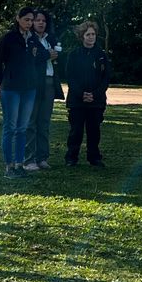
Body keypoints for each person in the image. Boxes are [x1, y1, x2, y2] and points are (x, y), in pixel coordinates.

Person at [0, 6, 47, 179]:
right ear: (18, 18)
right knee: (10, 128)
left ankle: (19, 164)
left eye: (31, 20)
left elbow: (42, 56)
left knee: (22, 128)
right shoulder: (8, 38)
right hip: (11, 89)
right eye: (26, 20)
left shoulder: (32, 39)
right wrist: (3, 84)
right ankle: (9, 167)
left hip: (29, 89)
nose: (29, 23)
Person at [63, 19, 110, 166]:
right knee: (76, 131)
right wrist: (81, 94)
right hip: (77, 101)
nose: (91, 37)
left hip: (96, 102)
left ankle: (94, 157)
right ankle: (71, 157)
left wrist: (94, 95)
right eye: (88, 34)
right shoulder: (74, 55)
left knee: (94, 131)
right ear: (82, 36)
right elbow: (70, 77)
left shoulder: (102, 55)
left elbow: (106, 78)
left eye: (93, 34)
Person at [27, 9, 63, 171]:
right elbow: (30, 60)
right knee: (31, 122)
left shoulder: (51, 39)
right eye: (37, 20)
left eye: (43, 20)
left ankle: (42, 158)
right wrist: (47, 55)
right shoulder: (29, 39)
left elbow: (58, 58)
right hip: (34, 84)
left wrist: (55, 55)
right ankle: (29, 159)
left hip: (49, 82)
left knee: (44, 122)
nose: (41, 23)